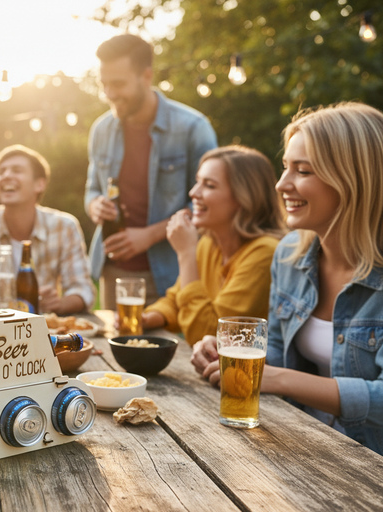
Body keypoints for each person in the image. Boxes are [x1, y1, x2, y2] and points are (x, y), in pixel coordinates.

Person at [191, 103, 383, 454]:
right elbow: (276, 353)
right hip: (301, 442)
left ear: (353, 179)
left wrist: (280, 379)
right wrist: (230, 356)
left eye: (303, 171)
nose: (282, 184)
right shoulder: (290, 254)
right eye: (285, 168)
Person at [85, 33, 217, 309]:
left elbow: (210, 204)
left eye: (118, 84)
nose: (109, 93)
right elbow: (92, 189)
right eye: (104, 84)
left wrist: (150, 235)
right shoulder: (101, 129)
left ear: (146, 76)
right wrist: (95, 205)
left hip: (172, 273)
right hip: (113, 272)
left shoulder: (193, 128)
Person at [140, 146, 286, 345]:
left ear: (243, 198)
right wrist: (150, 317)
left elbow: (208, 334)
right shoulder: (209, 243)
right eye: (197, 182)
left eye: (209, 185)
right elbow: (177, 299)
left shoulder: (265, 253)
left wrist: (186, 254)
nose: (193, 193)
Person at [0, 144, 95, 314]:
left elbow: (83, 290)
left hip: (42, 329)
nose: (6, 176)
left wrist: (58, 304)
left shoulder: (64, 226)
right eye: (1, 171)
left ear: (39, 185)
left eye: (17, 170)